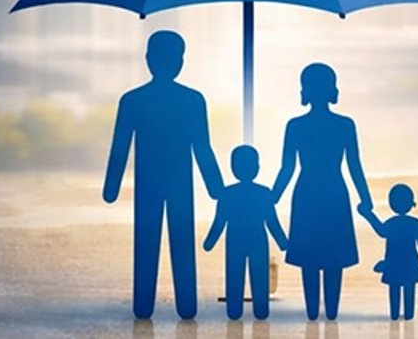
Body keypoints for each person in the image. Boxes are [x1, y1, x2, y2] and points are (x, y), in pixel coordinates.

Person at [102, 29, 224, 320]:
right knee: (183, 242)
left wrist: (111, 187)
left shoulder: (133, 100)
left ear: (148, 59)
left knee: (146, 242)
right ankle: (187, 306)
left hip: (148, 184)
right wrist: (216, 187)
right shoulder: (192, 100)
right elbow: (202, 146)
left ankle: (143, 306)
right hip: (179, 183)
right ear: (180, 61)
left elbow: (120, 147)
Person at [271, 62, 373, 321]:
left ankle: (312, 312)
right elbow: (354, 166)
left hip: (307, 192)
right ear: (332, 89)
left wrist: (273, 197)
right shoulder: (344, 125)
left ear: (304, 90)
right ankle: (332, 312)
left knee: (309, 257)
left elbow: (287, 168)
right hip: (334, 191)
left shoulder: (295, 126)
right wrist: (365, 198)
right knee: (333, 257)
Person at [203, 144, 288, 321]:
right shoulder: (263, 194)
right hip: (258, 240)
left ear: (233, 168)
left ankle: (234, 310)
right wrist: (283, 242)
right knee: (259, 276)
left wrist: (209, 242)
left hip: (235, 241)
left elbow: (219, 222)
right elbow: (272, 222)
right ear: (257, 167)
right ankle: (261, 309)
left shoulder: (227, 195)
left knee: (234, 274)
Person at [360, 182, 418, 321]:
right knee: (409, 289)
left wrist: (368, 214)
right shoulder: (416, 223)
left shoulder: (391, 223)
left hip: (393, 263)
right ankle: (408, 314)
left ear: (392, 203)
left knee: (394, 289)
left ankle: (394, 314)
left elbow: (380, 231)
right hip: (410, 263)